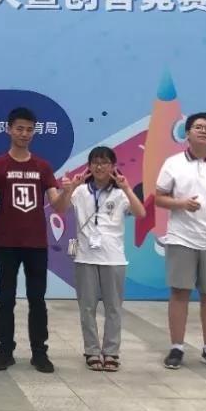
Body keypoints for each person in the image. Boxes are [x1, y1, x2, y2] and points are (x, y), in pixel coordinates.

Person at [0, 106, 76, 373]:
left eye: (29, 130)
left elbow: (58, 206)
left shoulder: (42, 166)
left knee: (37, 299)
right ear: (9, 130)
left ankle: (39, 353)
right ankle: (5, 351)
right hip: (7, 243)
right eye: (19, 129)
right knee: (6, 299)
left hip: (36, 244)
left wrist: (68, 191)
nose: (24, 134)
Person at [154, 112, 206, 372]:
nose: (203, 131)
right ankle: (177, 348)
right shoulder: (173, 163)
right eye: (198, 127)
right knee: (179, 293)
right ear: (187, 133)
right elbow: (158, 197)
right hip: (182, 238)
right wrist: (181, 204)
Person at [65, 147, 145, 372]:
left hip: (114, 259)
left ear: (113, 166)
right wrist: (70, 188)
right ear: (89, 166)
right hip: (85, 257)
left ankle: (111, 352)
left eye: (105, 162)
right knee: (87, 308)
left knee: (113, 308)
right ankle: (92, 351)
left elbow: (141, 213)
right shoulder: (81, 191)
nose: (100, 167)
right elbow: (60, 207)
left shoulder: (121, 193)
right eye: (95, 162)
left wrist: (126, 188)